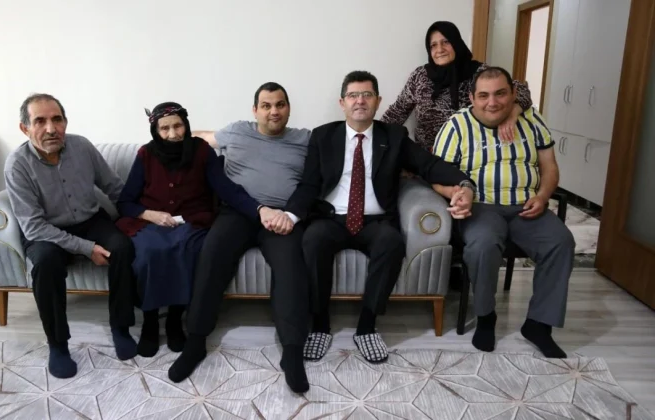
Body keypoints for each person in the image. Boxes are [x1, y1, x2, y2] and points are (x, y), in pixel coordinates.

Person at [284, 71, 475, 364]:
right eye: (353, 95)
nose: (360, 101)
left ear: (378, 101)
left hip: (376, 221)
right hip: (331, 218)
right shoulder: (323, 136)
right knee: (313, 239)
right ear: (342, 103)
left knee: (391, 243)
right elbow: (309, 184)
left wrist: (463, 184)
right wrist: (291, 214)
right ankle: (320, 325)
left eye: (367, 95)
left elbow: (428, 164)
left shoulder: (394, 136)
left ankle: (367, 326)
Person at [167, 82, 312, 393]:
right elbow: (202, 138)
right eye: (266, 105)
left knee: (292, 267)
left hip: (281, 218)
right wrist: (171, 135)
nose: (274, 111)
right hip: (238, 213)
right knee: (211, 254)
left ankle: (292, 350)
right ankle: (196, 341)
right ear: (255, 110)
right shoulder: (236, 131)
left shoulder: (304, 139)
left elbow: (325, 170)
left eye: (280, 104)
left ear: (288, 108)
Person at [115, 102, 277, 358]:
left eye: (178, 126)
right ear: (156, 131)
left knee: (187, 249)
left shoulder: (201, 151)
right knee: (148, 253)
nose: (173, 134)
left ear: (186, 125)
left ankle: (175, 319)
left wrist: (259, 209)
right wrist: (150, 214)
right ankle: (150, 321)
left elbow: (226, 189)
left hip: (193, 221)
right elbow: (125, 202)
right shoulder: (146, 154)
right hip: (151, 222)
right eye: (165, 128)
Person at [433, 66, 575, 358]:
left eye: (500, 94)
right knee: (483, 245)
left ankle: (539, 324)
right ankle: (486, 317)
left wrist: (543, 196)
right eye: (483, 96)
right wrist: (457, 193)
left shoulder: (532, 120)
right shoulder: (456, 125)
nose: (492, 102)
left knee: (561, 242)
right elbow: (436, 175)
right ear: (472, 98)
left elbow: (549, 167)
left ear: (513, 94)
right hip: (481, 206)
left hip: (526, 205)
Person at [4, 93, 138, 379]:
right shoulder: (17, 165)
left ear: (65, 122)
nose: (51, 128)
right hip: (45, 231)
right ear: (25, 128)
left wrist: (140, 215)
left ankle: (121, 327)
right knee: (45, 263)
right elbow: (33, 227)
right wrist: (87, 248)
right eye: (40, 121)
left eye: (57, 119)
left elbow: (114, 188)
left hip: (90, 220)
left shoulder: (82, 147)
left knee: (123, 247)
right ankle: (57, 345)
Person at [381, 21, 534, 151]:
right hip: (427, 157)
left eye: (446, 42)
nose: (439, 49)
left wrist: (512, 114)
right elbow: (397, 111)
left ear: (456, 42)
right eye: (433, 45)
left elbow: (520, 90)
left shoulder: (478, 73)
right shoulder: (420, 76)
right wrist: (374, 135)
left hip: (471, 154)